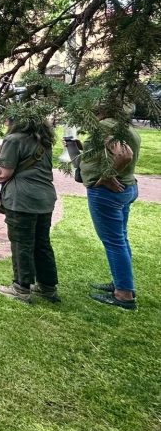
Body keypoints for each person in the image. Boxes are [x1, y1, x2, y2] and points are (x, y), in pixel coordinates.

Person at [0, 114, 58, 304]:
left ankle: (21, 288)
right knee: (42, 243)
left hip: (22, 200)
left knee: (21, 244)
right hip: (45, 198)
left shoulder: (13, 140)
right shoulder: (43, 139)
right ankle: (48, 287)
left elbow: (5, 172)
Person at [78, 105, 141, 309]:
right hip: (127, 188)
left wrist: (107, 175)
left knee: (114, 242)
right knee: (120, 239)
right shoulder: (126, 127)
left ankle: (123, 295)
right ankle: (123, 284)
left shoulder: (106, 125)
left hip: (108, 192)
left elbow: (124, 154)